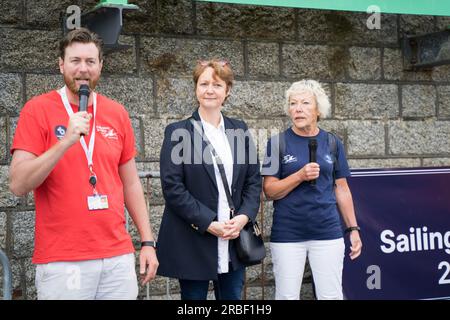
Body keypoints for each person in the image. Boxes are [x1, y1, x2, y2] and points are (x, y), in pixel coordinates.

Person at [9, 28, 158, 300]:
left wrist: (147, 241)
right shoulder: (37, 109)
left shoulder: (116, 112)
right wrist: (65, 141)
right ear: (61, 64)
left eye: (90, 61)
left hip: (116, 256)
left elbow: (131, 183)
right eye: (75, 60)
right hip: (64, 260)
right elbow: (18, 184)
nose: (83, 69)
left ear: (101, 65)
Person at [157, 59, 262, 300]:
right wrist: (208, 222)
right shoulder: (178, 132)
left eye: (216, 84)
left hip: (234, 242)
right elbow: (173, 187)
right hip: (195, 239)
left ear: (227, 91)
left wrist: (244, 217)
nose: (209, 90)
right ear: (196, 89)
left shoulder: (239, 130)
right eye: (203, 83)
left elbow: (253, 181)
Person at [261, 80, 362, 300]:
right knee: (286, 297)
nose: (298, 108)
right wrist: (299, 176)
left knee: (331, 296)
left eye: (305, 103)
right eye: (293, 103)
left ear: (318, 109)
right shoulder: (277, 143)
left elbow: (342, 189)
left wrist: (353, 228)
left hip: (327, 232)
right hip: (288, 234)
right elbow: (269, 190)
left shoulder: (333, 142)